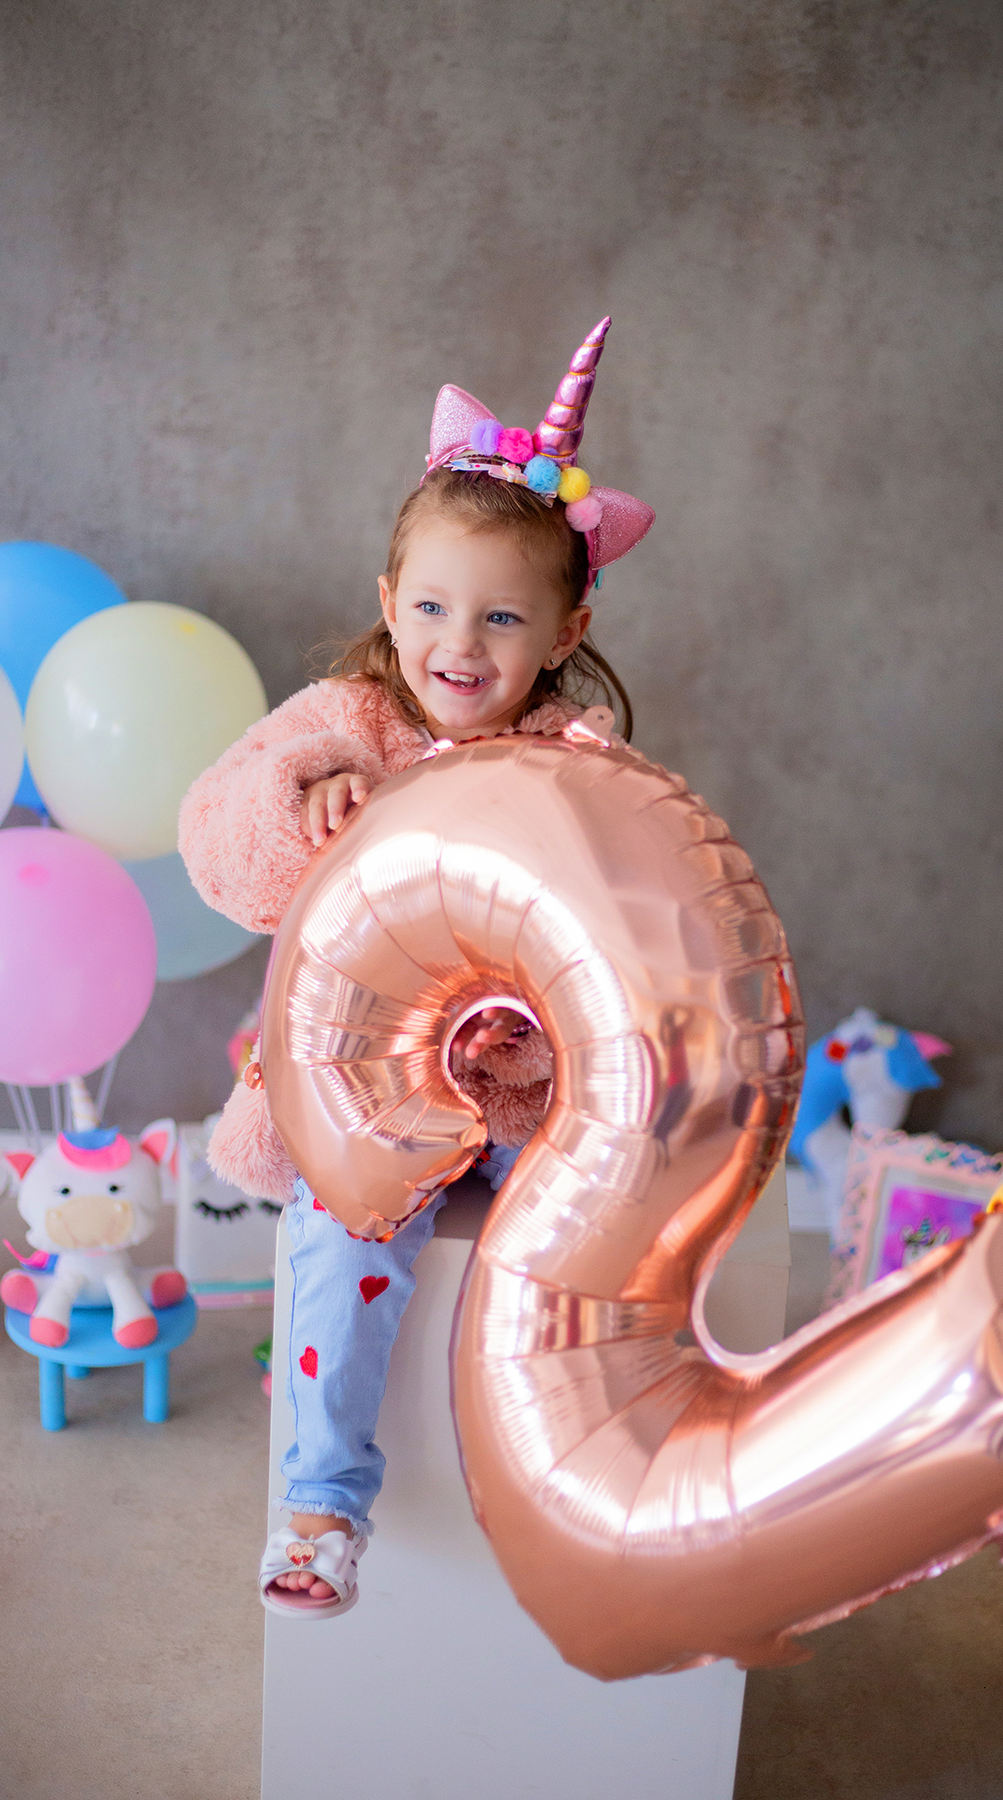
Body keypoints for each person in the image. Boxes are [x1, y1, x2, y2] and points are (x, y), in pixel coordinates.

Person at [179, 318, 654, 1616]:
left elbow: (633, 908)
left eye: (505, 615)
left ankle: (580, 1483)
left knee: (602, 1230)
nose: (463, 641)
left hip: (513, 1083)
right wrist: (302, 805)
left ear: (565, 631)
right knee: (339, 1243)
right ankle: (323, 1503)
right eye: (435, 605)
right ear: (391, 605)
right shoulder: (349, 725)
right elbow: (218, 844)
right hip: (367, 1091)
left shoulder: (575, 755)